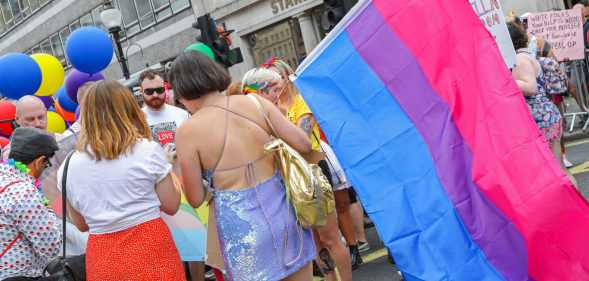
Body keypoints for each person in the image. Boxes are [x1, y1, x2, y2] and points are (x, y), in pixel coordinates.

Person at [169, 51, 316, 281]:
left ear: (183, 92)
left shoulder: (187, 132)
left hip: (241, 229)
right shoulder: (255, 102)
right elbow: (303, 143)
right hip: (284, 213)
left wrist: (176, 168)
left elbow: (196, 198)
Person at [57, 80, 185, 280]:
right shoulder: (146, 150)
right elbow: (171, 204)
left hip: (103, 257)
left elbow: (81, 224)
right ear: (128, 109)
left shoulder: (68, 166)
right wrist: (169, 168)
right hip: (150, 247)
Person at [262, 58, 361, 276]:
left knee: (329, 237)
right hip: (289, 177)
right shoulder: (269, 110)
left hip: (312, 171)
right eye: (267, 83)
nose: (273, 86)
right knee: (313, 242)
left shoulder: (301, 103)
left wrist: (275, 126)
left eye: (276, 79)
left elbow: (302, 141)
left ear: (286, 77)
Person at [139, 69, 206, 281]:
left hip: (187, 183)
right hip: (158, 192)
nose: (155, 95)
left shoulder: (180, 114)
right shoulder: (137, 119)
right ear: (141, 92)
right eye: (149, 92)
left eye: (159, 89)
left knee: (196, 242)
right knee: (172, 247)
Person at [508, 22, 576, 185]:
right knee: (559, 169)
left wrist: (505, 80)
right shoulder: (526, 56)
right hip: (547, 116)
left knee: (554, 171)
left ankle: (575, 206)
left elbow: (530, 87)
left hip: (541, 119)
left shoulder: (519, 59)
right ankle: (577, 205)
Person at [0, 128, 61, 280]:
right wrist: (48, 211)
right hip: (17, 276)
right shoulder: (24, 192)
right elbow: (51, 247)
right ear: (39, 161)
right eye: (46, 165)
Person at [1, 96, 48, 161]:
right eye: (30, 119)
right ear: (17, 119)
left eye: (40, 117)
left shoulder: (61, 141)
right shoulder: (11, 155)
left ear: (46, 113)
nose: (37, 124)